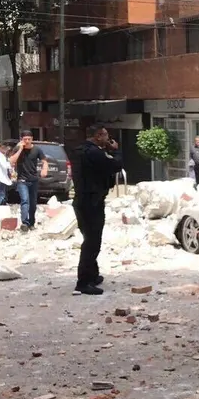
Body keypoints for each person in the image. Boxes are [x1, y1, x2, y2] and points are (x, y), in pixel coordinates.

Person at [72, 125, 123, 295]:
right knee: (92, 242)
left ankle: (92, 275)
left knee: (90, 239)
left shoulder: (81, 150)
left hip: (82, 200)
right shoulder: (94, 153)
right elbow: (115, 166)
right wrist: (115, 151)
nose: (108, 139)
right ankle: (83, 282)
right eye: (106, 136)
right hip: (91, 201)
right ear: (98, 136)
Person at [9, 130, 48, 231]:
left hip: (33, 180)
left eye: (29, 139)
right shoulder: (18, 148)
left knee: (33, 203)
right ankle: (25, 223)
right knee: (25, 200)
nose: (27, 141)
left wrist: (44, 169)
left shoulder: (37, 149)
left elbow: (44, 161)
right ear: (21, 139)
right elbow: (12, 161)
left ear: (32, 139)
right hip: (22, 180)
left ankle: (31, 223)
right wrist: (20, 149)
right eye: (24, 139)